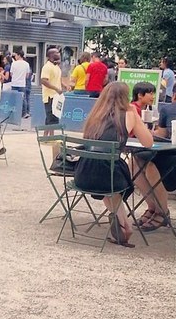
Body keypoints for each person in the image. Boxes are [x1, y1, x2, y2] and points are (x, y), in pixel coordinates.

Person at [73, 82, 153, 247]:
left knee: (109, 177)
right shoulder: (129, 113)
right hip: (109, 178)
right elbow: (148, 142)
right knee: (115, 175)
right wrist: (136, 119)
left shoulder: (95, 114)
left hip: (83, 174)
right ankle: (124, 225)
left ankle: (122, 223)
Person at [133, 94, 176, 231]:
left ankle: (162, 212)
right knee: (135, 161)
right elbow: (162, 133)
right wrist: (149, 133)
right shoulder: (168, 110)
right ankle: (153, 207)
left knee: (151, 166)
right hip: (167, 152)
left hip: (172, 158)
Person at [40, 48, 63, 128]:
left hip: (56, 96)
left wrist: (65, 85)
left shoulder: (56, 67)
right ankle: (50, 138)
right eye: (57, 52)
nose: (59, 54)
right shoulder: (47, 67)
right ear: (51, 55)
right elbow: (44, 81)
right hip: (50, 96)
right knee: (51, 118)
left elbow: (57, 79)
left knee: (52, 118)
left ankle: (46, 137)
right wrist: (56, 88)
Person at [10, 50, 31, 118]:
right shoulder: (26, 64)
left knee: (13, 99)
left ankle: (13, 113)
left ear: (19, 55)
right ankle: (24, 113)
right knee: (23, 98)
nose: (15, 57)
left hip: (14, 83)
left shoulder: (14, 64)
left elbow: (11, 74)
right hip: (22, 83)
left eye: (15, 55)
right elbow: (27, 75)